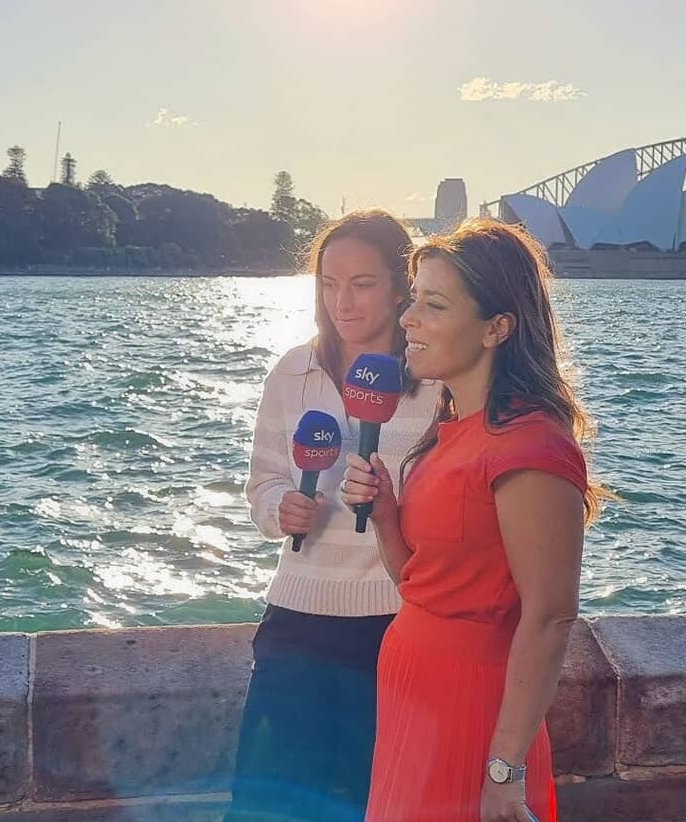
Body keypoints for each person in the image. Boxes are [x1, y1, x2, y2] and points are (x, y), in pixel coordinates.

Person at [340, 219, 607, 822]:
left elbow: (550, 615)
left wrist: (503, 771)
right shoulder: (449, 432)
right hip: (413, 686)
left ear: (496, 328)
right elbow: (421, 584)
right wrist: (386, 517)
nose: (407, 318)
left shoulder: (530, 446)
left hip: (471, 706)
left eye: (433, 305)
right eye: (413, 299)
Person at [229, 209, 441, 822]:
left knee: (373, 798)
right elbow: (261, 484)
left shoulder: (435, 380)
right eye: (329, 283)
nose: (342, 301)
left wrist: (388, 508)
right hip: (297, 615)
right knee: (267, 798)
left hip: (398, 620)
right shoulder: (293, 371)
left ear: (402, 288)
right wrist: (281, 508)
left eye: (363, 283)